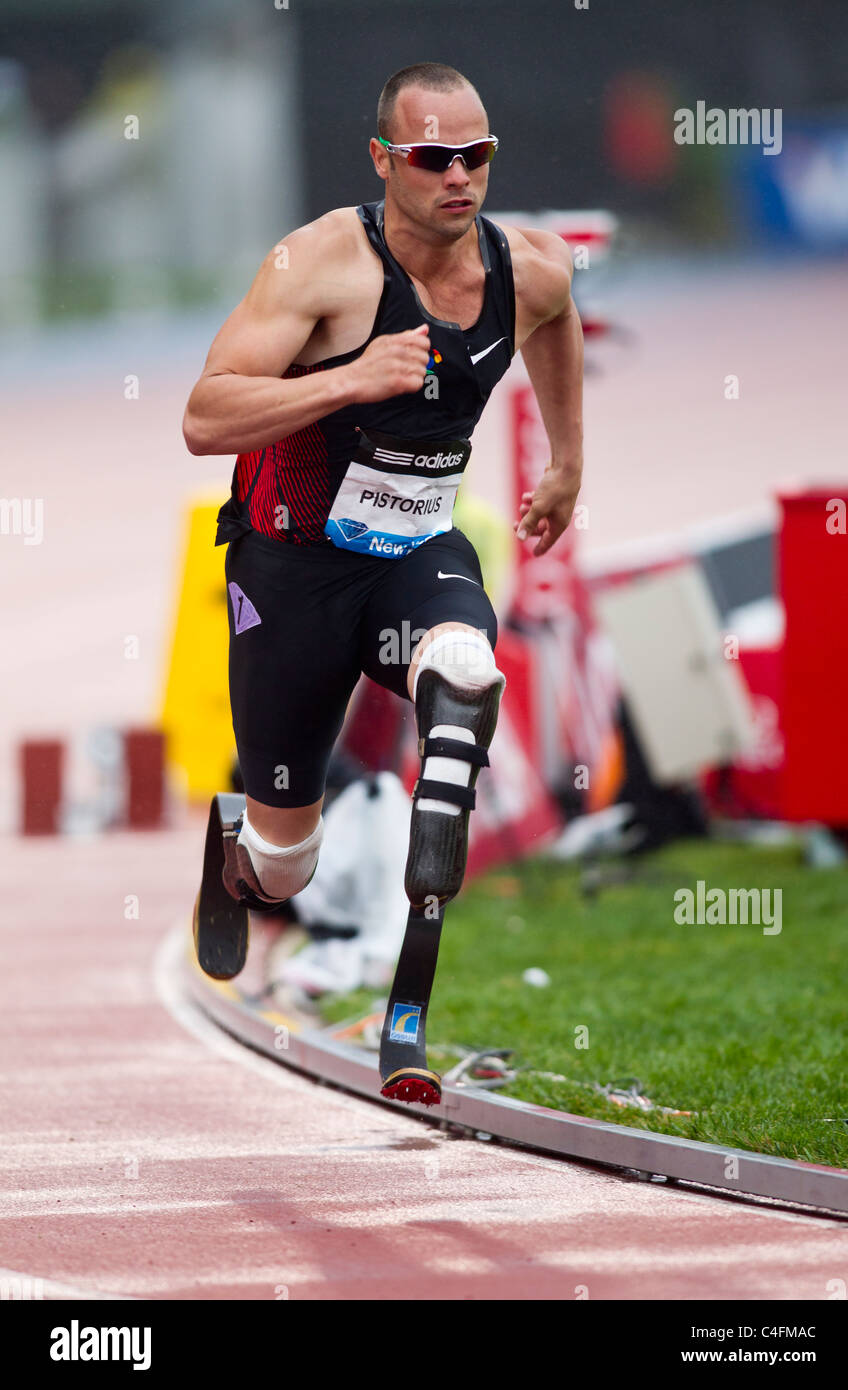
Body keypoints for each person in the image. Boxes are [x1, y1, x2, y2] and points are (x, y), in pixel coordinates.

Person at [183, 61, 584, 952]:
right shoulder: (321, 262)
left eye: (474, 155)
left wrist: (567, 463)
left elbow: (558, 319)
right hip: (292, 575)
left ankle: (437, 824)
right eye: (432, 156)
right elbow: (204, 418)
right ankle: (243, 848)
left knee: (468, 665)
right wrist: (350, 380)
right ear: (381, 159)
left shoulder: (529, 268)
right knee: (289, 864)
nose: (457, 177)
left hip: (412, 556)